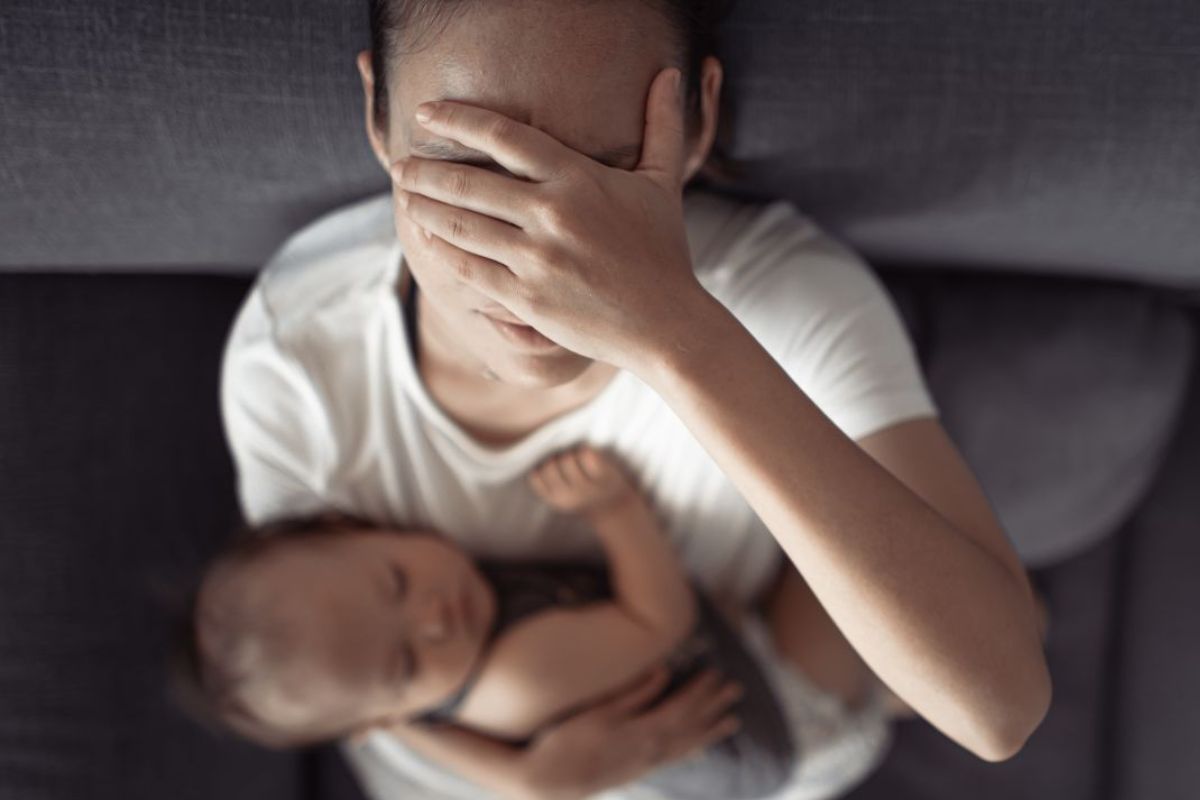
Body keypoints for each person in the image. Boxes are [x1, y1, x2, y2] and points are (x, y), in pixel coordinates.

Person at [220, 0, 1052, 797]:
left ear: (696, 124)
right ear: (377, 115)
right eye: (468, 174)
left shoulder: (778, 297)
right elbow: (333, 676)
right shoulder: (296, 360)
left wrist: (675, 334)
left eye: (604, 172)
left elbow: (998, 711)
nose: (540, 258)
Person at [178, 444, 796, 799]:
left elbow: (396, 722)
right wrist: (615, 511)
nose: (434, 621)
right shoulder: (516, 680)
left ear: (354, 527)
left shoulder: (389, 705)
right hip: (769, 720)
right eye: (407, 662)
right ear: (390, 712)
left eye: (396, 582)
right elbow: (660, 620)